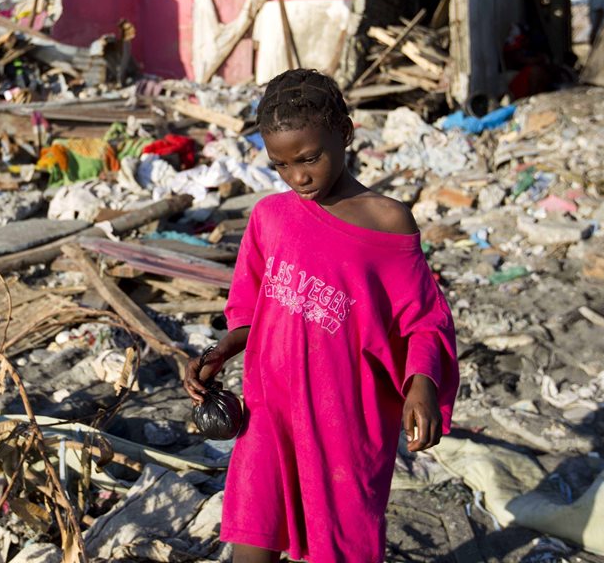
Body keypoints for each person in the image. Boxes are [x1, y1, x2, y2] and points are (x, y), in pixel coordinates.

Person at [183, 69, 459, 563]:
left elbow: (422, 318)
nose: (298, 177)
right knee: (253, 537)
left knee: (340, 543)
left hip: (344, 420)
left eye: (309, 158)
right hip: (269, 412)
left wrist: (422, 383)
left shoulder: (386, 220)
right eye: (281, 165)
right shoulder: (268, 217)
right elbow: (250, 309)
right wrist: (222, 349)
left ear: (345, 133)